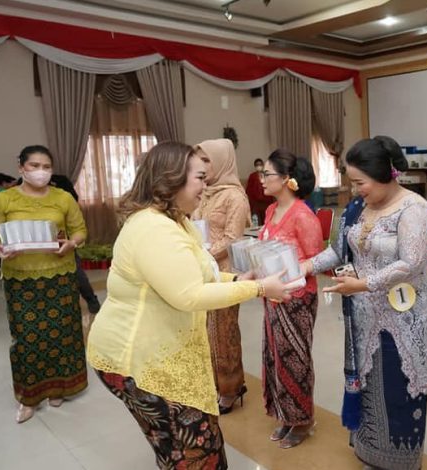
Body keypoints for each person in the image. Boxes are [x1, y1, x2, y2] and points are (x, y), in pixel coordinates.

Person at [86, 142, 299, 469]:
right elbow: (188, 295)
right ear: (171, 179)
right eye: (200, 177)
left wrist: (237, 279)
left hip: (160, 348)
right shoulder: (154, 229)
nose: (206, 183)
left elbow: (196, 273)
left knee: (195, 444)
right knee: (192, 449)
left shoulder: (175, 220)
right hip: (137, 358)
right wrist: (257, 288)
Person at [304, 136, 427, 470]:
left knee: (400, 386)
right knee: (371, 383)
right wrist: (306, 266)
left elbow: (411, 263)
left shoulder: (414, 210)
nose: (355, 190)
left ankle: (400, 460)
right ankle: (371, 452)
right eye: (352, 182)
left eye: (360, 182)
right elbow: (338, 250)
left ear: (386, 174)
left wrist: (363, 284)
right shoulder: (359, 207)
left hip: (406, 316)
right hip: (366, 315)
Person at [0, 145, 88, 424]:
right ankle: (29, 397)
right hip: (21, 280)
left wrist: (72, 243)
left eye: (46, 167)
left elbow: (80, 230)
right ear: (21, 167)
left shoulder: (63, 198)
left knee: (63, 333)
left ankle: (58, 388)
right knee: (26, 338)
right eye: (34, 166)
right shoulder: (3, 199)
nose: (41, 172)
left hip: (60, 276)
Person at [258, 149, 324, 448]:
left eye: (267, 174)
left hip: (297, 300)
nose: (262, 179)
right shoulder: (271, 210)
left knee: (295, 360)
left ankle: (303, 419)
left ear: (286, 179)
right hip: (273, 295)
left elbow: (316, 260)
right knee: (275, 357)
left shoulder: (303, 216)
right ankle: (285, 415)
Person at [192, 139, 251, 414]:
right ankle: (214, 383)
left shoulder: (234, 197)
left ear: (222, 161)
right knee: (205, 332)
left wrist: (202, 256)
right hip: (202, 271)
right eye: (199, 160)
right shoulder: (203, 192)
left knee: (223, 333)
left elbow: (231, 239)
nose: (202, 166)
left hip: (225, 272)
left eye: (207, 160)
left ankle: (231, 388)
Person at [48, 173, 101, 313]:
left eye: (45, 166)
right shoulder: (18, 189)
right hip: (34, 250)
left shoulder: (60, 183)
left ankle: (91, 299)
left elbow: (74, 199)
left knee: (77, 273)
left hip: (63, 239)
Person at [245, 157, 274, 224]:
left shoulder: (267, 175)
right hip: (256, 203)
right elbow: (249, 190)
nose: (259, 166)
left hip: (266, 202)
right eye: (257, 165)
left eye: (260, 164)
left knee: (267, 219)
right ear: (255, 166)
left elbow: (271, 188)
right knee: (256, 220)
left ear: (263, 165)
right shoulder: (252, 176)